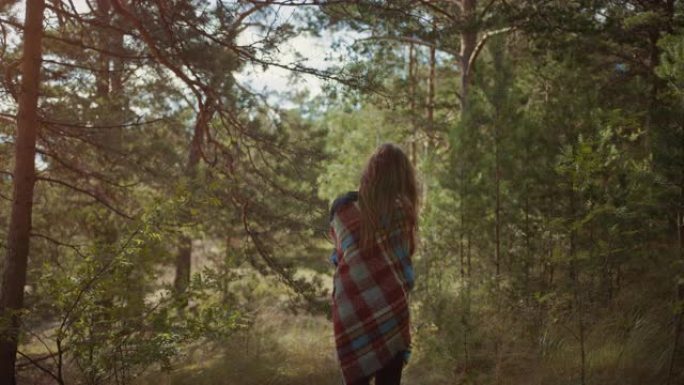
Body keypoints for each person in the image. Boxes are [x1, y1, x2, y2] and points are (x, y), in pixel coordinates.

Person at [328, 143, 418, 385]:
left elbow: (337, 257)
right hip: (391, 306)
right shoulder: (403, 210)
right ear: (402, 176)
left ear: (370, 172)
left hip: (351, 308)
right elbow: (405, 261)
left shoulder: (343, 210)